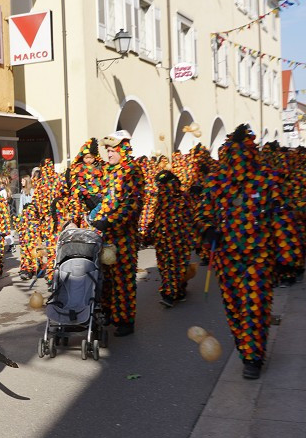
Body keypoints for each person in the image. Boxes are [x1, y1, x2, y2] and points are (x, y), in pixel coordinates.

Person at [200, 125, 279, 379]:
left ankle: (254, 358)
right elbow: (204, 212)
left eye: (242, 155)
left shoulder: (267, 179)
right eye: (232, 156)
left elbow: (281, 215)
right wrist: (208, 229)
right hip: (226, 257)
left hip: (258, 256)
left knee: (254, 305)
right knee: (235, 307)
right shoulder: (215, 181)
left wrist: (287, 255)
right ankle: (246, 350)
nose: (237, 163)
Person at [88, 131, 144, 337]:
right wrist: (95, 209)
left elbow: (132, 205)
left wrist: (108, 221)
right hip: (106, 235)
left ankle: (125, 321)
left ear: (123, 150)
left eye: (112, 151)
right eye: (108, 150)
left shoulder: (132, 171)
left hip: (123, 237)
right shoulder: (109, 172)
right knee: (106, 279)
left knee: (123, 280)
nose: (109, 154)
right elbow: (107, 201)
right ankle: (111, 312)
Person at [146, 170, 195, 308]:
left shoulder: (183, 197)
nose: (161, 188)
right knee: (165, 267)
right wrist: (150, 232)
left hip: (179, 238)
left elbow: (190, 217)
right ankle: (178, 291)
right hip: (162, 239)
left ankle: (169, 295)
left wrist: (191, 237)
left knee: (175, 267)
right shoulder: (160, 200)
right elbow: (156, 218)